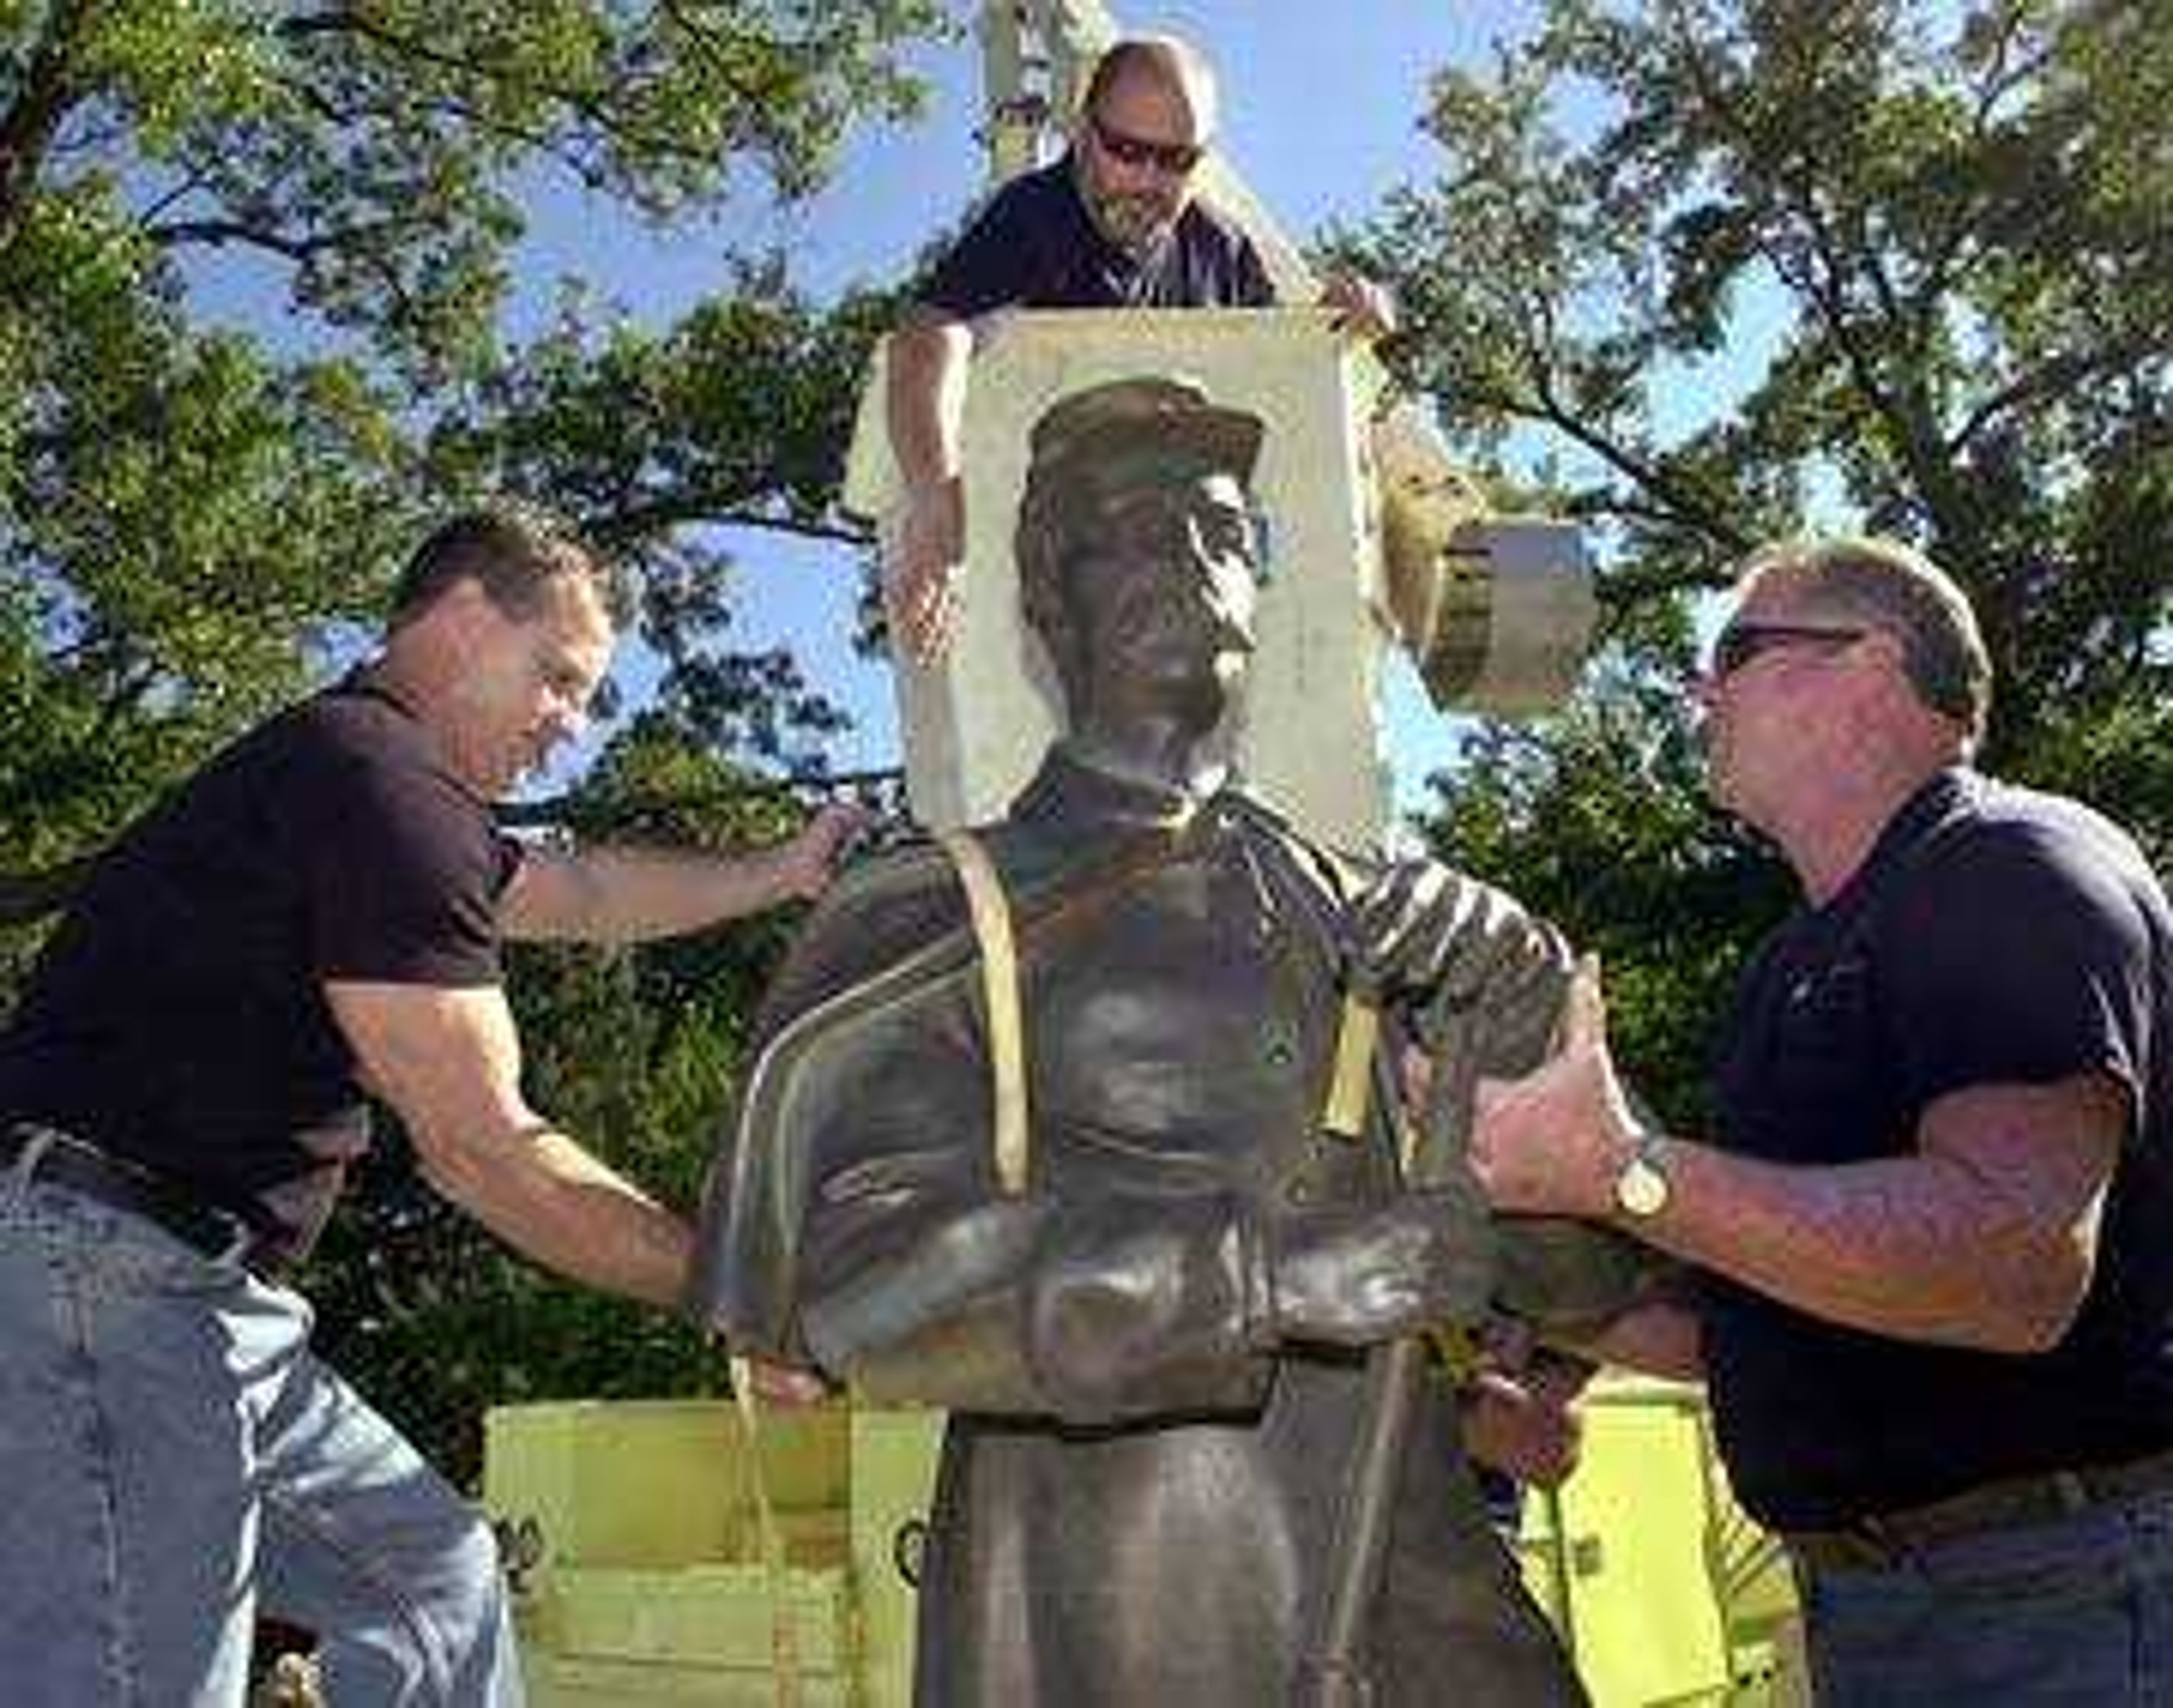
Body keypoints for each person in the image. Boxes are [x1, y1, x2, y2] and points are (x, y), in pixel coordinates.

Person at [693, 376, 1655, 1706]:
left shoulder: (1366, 907)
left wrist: (1522, 1007)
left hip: (1415, 1590)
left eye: (1219, 536)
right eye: (1133, 535)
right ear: (1048, 600)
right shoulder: (940, 912)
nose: (1190, 564)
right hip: (1125, 1601)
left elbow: (1578, 1277)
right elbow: (874, 1281)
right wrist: (1267, 1276)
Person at [0, 504, 862, 1706]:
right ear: (461, 620)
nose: (571, 724)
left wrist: (780, 869)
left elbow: (588, 889)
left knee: (437, 1589)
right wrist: (737, 1290)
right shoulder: (375, 782)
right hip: (104, 1281)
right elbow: (486, 1150)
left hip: (205, 1300)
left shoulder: (377, 798)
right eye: (559, 679)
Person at [1468, 535, 2173, 1704]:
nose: (1699, 689)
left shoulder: (2011, 866)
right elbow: (1743, 1333)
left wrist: (1626, 1171)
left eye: (1735, 651)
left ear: (1871, 668)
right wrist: (1509, 1227)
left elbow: (2015, 1261)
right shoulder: (1786, 971)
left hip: (2062, 1591)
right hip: (1885, 1608)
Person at [883, 32, 1396, 661]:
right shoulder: (1036, 218)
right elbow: (931, 334)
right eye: (1127, 151)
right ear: (1082, 131)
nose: (1150, 181)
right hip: (1068, 583)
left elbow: (1277, 388)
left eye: (1176, 160)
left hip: (1186, 580)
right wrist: (934, 500)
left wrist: (1339, 334)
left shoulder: (1220, 249)